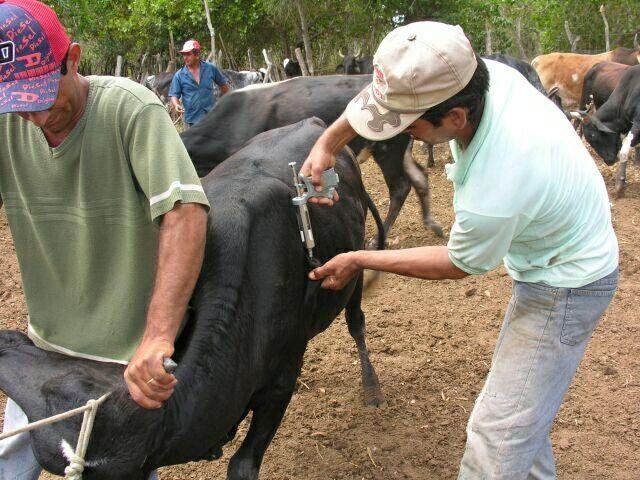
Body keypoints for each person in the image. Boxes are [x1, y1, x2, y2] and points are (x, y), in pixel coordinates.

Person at [301, 21, 619, 479]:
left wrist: (359, 258)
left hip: (566, 285)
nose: (398, 133)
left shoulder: (504, 173)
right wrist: (327, 143)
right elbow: (381, 100)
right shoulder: (467, 74)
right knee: (523, 426)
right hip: (552, 252)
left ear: (454, 119)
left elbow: (457, 262)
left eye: (408, 124)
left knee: (496, 439)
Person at [0, 1, 210, 478]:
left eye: (39, 94)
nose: (32, 115)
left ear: (72, 58)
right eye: (17, 102)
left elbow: (186, 213)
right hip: (45, 346)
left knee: (120, 469)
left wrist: (157, 339)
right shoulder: (7, 123)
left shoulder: (128, 109)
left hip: (123, 360)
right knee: (9, 464)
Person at [169, 39, 229, 127]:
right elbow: (174, 95)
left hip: (210, 118)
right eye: (184, 55)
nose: (185, 57)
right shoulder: (179, 75)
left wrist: (226, 102)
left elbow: (223, 85)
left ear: (197, 55)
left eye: (188, 54)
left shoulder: (210, 69)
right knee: (191, 141)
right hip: (191, 121)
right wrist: (177, 105)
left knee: (212, 141)